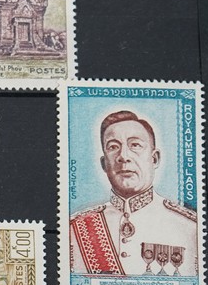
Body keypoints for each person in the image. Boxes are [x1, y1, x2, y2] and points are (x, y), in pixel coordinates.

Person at [70, 110, 198, 275]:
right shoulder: (74, 229)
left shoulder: (190, 227)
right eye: (113, 147)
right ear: (104, 164)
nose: (123, 156)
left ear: (154, 159)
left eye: (135, 145)